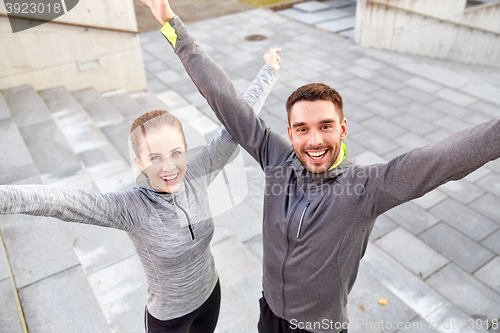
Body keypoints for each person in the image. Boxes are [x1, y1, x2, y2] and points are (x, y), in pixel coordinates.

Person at [139, 0, 500, 332]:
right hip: (270, 314)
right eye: (302, 129)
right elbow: (226, 100)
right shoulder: (277, 157)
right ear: (290, 133)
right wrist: (172, 26)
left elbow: (442, 158)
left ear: (342, 128)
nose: (314, 141)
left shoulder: (367, 188)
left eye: (325, 126)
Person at [0, 50, 280, 332]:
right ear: (139, 163)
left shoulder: (197, 173)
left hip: (210, 296)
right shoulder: (132, 209)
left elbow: (237, 124)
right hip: (169, 319)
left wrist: (268, 71)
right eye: (155, 157)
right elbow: (61, 201)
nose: (168, 167)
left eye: (175, 153)